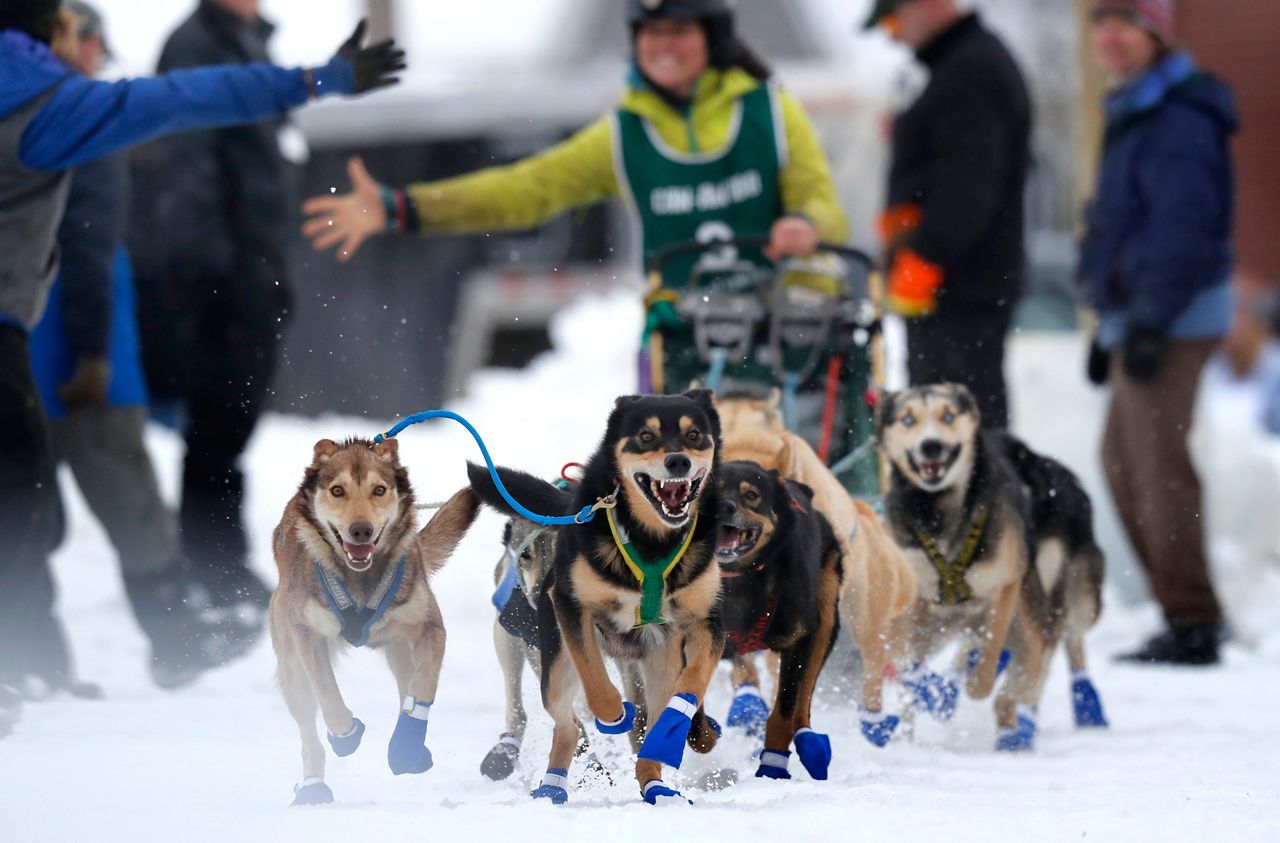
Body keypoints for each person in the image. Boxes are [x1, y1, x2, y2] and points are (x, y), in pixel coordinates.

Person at [0, 0, 403, 722]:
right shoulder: (55, 107)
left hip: (66, 337)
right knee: (44, 505)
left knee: (37, 504)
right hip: (60, 342)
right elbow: (189, 103)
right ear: (56, 35)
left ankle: (42, 659)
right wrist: (319, 78)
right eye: (78, 30)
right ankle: (144, 636)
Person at [301, 0, 847, 394]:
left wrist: (804, 223)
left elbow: (822, 203)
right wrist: (403, 206)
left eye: (679, 29)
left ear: (712, 35)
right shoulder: (624, 135)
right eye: (650, 31)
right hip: (683, 340)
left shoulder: (771, 112)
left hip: (782, 329)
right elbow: (523, 191)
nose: (664, 45)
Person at [30, 0, 259, 690]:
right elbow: (91, 248)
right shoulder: (84, 121)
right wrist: (96, 352)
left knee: (26, 517)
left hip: (26, 358)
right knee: (135, 513)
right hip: (81, 363)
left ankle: (35, 664)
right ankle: (179, 639)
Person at [128, 0, 317, 616]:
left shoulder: (247, 39)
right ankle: (213, 566)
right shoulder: (196, 45)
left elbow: (263, 168)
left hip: (252, 265)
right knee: (216, 425)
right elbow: (186, 171)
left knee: (230, 422)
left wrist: (267, 269)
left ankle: (218, 561)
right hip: (219, 274)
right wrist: (216, 276)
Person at [1079, 0, 1237, 666]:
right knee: (1124, 462)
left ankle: (1194, 620)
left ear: (1156, 32)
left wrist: (1145, 322)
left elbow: (1181, 230)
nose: (1110, 36)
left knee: (1157, 466)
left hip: (1173, 317)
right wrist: (1108, 320)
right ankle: (1185, 610)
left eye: (1126, 22)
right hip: (1139, 313)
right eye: (1101, 22)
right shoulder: (1135, 105)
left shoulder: (1177, 116)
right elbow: (1120, 224)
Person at [864, 0, 1031, 428]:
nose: (892, 35)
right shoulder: (949, 68)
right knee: (941, 422)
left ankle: (981, 497)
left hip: (962, 286)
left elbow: (970, 183)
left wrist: (925, 258)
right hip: (950, 288)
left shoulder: (970, 70)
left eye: (893, 19)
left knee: (960, 425)